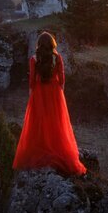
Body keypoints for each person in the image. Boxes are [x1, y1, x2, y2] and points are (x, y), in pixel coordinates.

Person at [13, 31, 86, 175]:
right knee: (56, 122)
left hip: (39, 93)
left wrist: (32, 95)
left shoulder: (34, 59)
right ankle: (56, 146)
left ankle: (42, 146)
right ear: (52, 44)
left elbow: (32, 81)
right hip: (55, 93)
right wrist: (60, 93)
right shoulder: (57, 57)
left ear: (39, 45)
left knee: (39, 121)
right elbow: (62, 78)